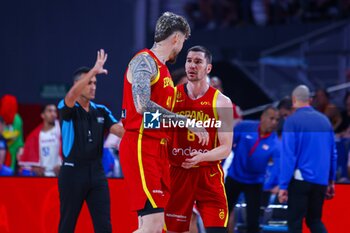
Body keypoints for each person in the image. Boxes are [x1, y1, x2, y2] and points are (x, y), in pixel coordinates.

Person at [119, 12, 208, 233]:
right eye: (183, 42)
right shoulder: (144, 61)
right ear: (176, 39)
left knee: (151, 226)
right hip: (141, 144)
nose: (181, 49)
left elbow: (159, 116)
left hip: (157, 149)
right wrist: (184, 121)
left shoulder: (164, 70)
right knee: (152, 225)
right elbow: (142, 106)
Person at [165, 46, 233, 233]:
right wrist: (182, 121)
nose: (192, 66)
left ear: (208, 68)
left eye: (198, 62)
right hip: (178, 173)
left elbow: (226, 148)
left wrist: (201, 157)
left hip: (208, 174)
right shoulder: (171, 96)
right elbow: (149, 121)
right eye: (188, 61)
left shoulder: (222, 102)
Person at [57, 49, 124, 233]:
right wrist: (94, 70)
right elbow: (70, 96)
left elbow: (119, 131)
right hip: (72, 173)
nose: (93, 86)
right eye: (89, 83)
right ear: (79, 84)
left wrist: (141, 130)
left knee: (104, 226)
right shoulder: (68, 107)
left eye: (95, 83)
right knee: (67, 225)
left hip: (97, 174)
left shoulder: (101, 110)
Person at [278, 85, 337, 233]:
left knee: (294, 224)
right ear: (309, 100)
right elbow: (333, 153)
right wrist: (330, 180)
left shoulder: (291, 121)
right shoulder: (325, 121)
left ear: (293, 100)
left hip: (300, 180)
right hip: (320, 181)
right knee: (315, 221)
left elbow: (288, 156)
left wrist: (283, 186)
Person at [225, 106, 280, 233]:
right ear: (263, 118)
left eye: (277, 120)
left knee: (253, 221)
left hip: (255, 183)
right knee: (223, 213)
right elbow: (227, 143)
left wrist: (273, 184)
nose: (274, 123)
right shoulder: (244, 126)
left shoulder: (275, 143)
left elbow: (278, 166)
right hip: (234, 177)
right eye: (272, 118)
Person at [18, 104, 61, 177]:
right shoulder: (34, 136)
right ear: (42, 115)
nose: (53, 114)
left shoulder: (61, 130)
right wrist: (34, 167)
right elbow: (27, 162)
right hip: (42, 177)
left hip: (59, 176)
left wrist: (63, 166)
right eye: (50, 111)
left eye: (55, 111)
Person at [0, 94, 24, 172]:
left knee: (9, 172)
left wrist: (20, 149)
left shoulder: (17, 119)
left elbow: (19, 138)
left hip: (12, 151)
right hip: (1, 148)